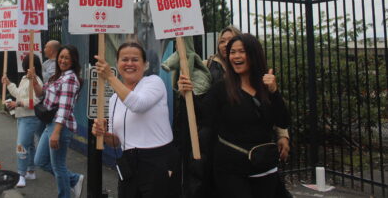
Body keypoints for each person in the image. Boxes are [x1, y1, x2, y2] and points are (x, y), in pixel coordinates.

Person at [182, 33, 290, 198]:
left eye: (242, 51)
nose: (236, 56)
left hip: (265, 167)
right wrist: (187, 94)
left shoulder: (266, 87)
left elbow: (283, 120)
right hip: (231, 169)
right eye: (232, 52)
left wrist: (274, 92)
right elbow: (203, 116)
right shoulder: (221, 89)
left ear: (254, 54)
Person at [92, 42, 180, 198]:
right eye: (124, 59)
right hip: (129, 164)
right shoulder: (113, 99)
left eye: (135, 59)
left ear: (145, 65)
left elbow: (138, 104)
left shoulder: (154, 82)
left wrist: (110, 77)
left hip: (158, 161)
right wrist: (103, 134)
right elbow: (116, 142)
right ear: (117, 63)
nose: (129, 64)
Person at [32, 45, 84, 198]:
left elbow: (64, 108)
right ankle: (74, 179)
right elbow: (41, 93)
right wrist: (34, 79)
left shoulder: (70, 79)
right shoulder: (58, 76)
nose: (63, 60)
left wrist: (56, 132)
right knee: (40, 161)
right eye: (61, 57)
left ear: (73, 60)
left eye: (67, 57)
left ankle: (65, 194)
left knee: (58, 166)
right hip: (50, 124)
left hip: (60, 126)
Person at [1, 54, 44, 188]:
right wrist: (8, 83)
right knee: (29, 145)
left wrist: (17, 104)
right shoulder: (25, 79)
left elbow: (36, 100)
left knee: (21, 146)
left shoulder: (36, 80)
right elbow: (19, 93)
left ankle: (21, 174)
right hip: (22, 117)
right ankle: (30, 170)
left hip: (30, 118)